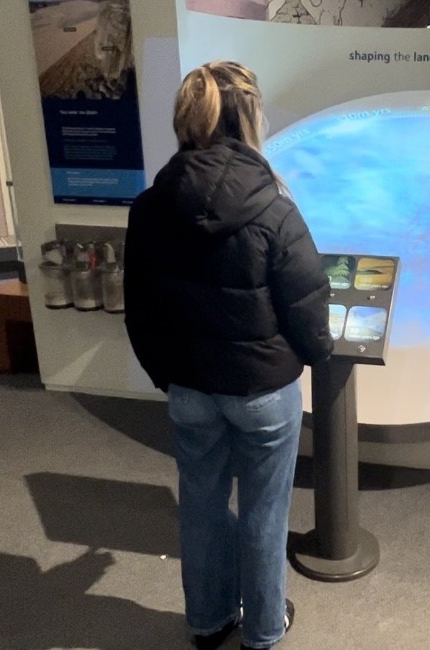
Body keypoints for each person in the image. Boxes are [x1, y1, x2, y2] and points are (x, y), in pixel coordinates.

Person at [123, 60, 332, 650]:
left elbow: (138, 310)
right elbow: (307, 301)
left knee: (202, 506)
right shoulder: (274, 207)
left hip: (190, 387)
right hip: (263, 392)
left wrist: (166, 375)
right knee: (266, 513)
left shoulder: (149, 207)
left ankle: (208, 621)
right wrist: (319, 355)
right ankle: (264, 631)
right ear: (249, 117)